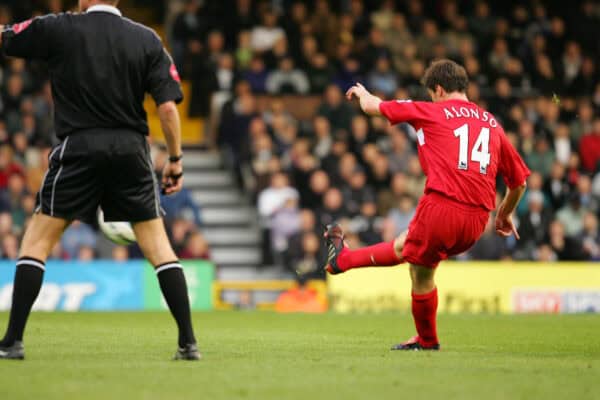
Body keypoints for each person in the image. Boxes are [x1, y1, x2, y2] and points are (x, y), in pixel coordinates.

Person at [0, 0, 200, 360]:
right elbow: (168, 108)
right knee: (159, 248)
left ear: (82, 0)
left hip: (78, 146)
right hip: (131, 151)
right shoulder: (147, 39)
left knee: (37, 242)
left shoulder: (60, 26)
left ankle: (12, 341)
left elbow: (6, 37)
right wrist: (174, 160)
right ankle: (188, 343)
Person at [324, 59, 530, 351]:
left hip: (442, 207)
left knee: (418, 269)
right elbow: (519, 182)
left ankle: (427, 340)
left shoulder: (432, 110)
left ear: (439, 89)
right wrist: (503, 215)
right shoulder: (492, 123)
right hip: (476, 222)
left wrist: (361, 93)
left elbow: (374, 107)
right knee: (409, 249)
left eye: (432, 93)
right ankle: (343, 261)